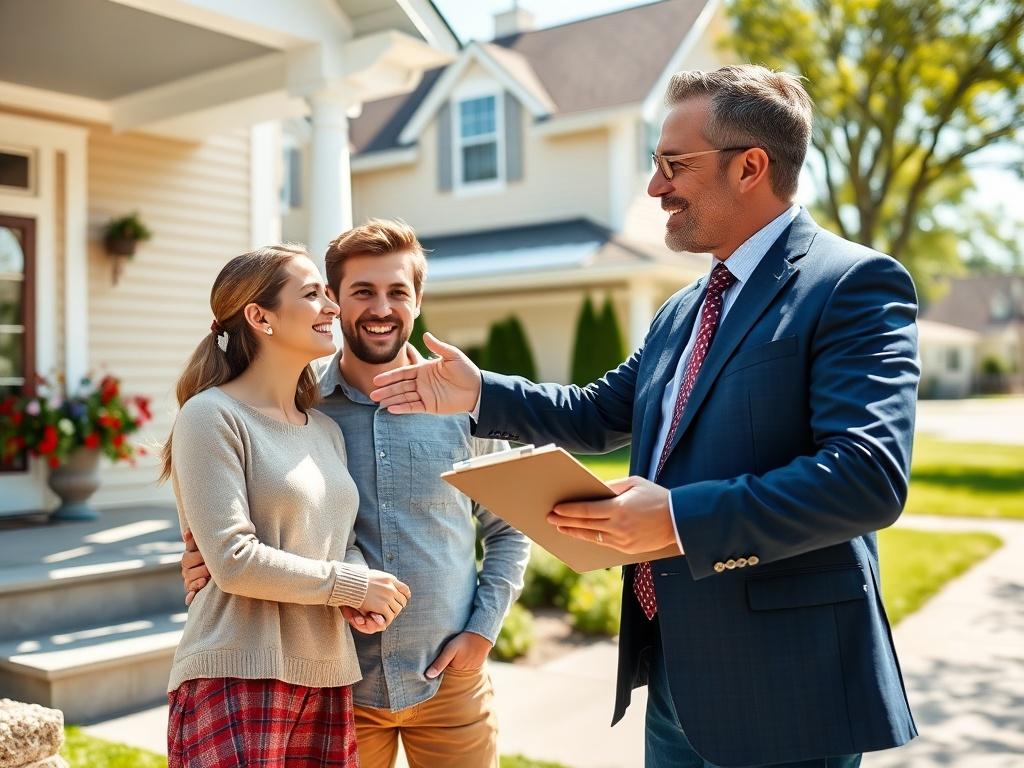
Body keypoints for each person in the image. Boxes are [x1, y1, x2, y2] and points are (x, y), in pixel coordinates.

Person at [370, 65, 920, 768]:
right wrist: (479, 392)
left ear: (751, 166)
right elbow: (602, 412)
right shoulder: (682, 310)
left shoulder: (851, 285)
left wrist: (677, 519)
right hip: (674, 680)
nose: (655, 187)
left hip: (787, 688)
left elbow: (866, 477)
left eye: (673, 164)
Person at [181, 221, 531, 768]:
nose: (381, 308)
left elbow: (509, 527)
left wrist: (482, 634)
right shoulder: (304, 408)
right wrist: (206, 559)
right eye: (361, 292)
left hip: (448, 679)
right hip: (337, 681)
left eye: (398, 292)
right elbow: (242, 526)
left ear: (417, 301)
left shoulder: (465, 404)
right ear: (337, 302)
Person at [162, 244, 411, 768]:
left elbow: (340, 542)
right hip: (237, 674)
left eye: (328, 293)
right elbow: (233, 560)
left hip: (326, 675)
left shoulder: (323, 429)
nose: (332, 307)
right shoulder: (212, 416)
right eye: (312, 294)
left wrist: (357, 594)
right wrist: (351, 584)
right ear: (259, 317)